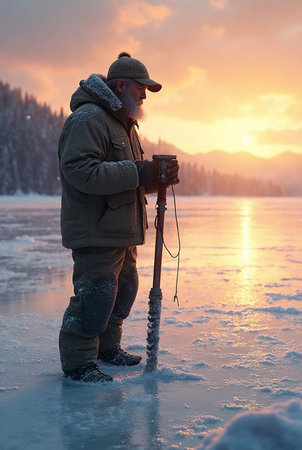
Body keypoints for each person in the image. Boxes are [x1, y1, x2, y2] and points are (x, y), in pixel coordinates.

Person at [58, 52, 179, 382]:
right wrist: (141, 172)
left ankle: (106, 349)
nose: (144, 95)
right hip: (96, 232)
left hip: (121, 232)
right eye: (142, 88)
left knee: (123, 291)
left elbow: (127, 183)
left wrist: (155, 178)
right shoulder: (88, 119)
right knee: (94, 299)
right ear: (122, 85)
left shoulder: (124, 124)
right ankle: (79, 364)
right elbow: (81, 172)